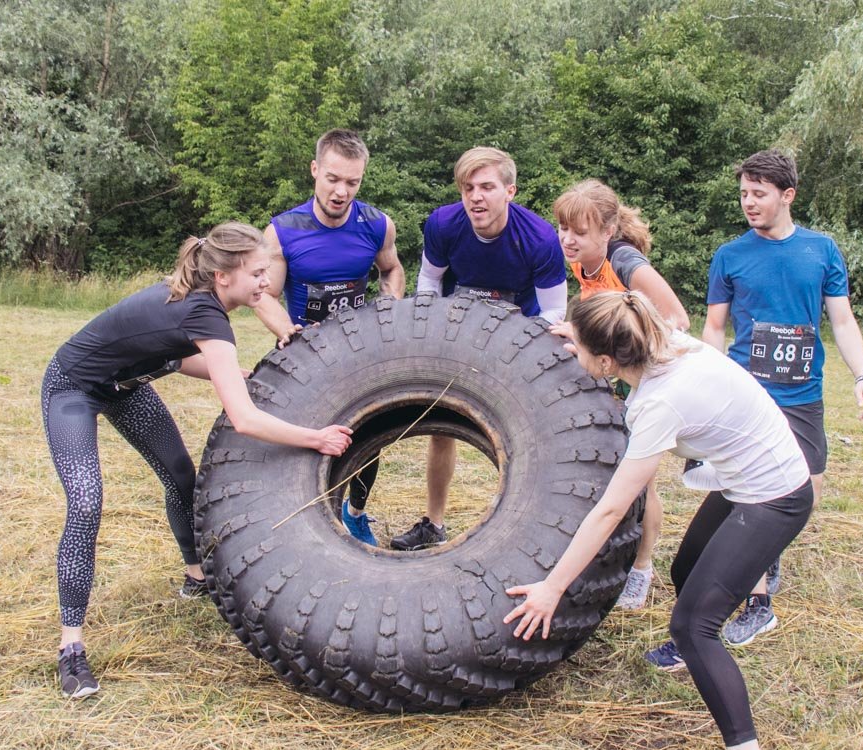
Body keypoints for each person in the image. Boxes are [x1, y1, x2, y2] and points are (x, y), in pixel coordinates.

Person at [503, 291, 811, 750]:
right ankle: (694, 652)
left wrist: (552, 588)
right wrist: (578, 329)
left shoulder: (657, 403)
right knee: (686, 570)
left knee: (693, 625)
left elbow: (609, 510)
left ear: (606, 363)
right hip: (743, 479)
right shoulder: (661, 340)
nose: (576, 357)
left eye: (581, 351)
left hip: (775, 496)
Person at [42, 222, 353, 699]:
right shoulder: (206, 312)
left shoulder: (204, 304)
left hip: (126, 388)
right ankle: (71, 647)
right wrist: (316, 438)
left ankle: (195, 576)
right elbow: (244, 419)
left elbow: (171, 356)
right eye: (256, 274)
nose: (266, 284)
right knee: (86, 501)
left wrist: (237, 372)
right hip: (73, 387)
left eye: (267, 272)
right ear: (225, 276)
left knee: (182, 477)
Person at [703, 149, 863, 646]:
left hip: (803, 393)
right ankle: (758, 603)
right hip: (747, 393)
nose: (749, 203)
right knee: (752, 494)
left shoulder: (821, 251)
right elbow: (715, 326)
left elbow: (842, 320)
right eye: (743, 194)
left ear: (787, 195)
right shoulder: (730, 256)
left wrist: (862, 376)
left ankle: (770, 545)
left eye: (759, 194)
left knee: (805, 494)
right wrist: (712, 379)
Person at [393, 146, 568, 551]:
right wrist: (431, 331)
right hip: (455, 332)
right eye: (467, 187)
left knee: (528, 438)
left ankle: (529, 534)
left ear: (510, 191)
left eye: (487, 187)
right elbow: (427, 285)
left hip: (518, 338)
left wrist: (508, 347)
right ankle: (433, 524)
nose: (476, 197)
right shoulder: (443, 224)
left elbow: (555, 310)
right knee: (441, 429)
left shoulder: (540, 238)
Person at [251, 129, 405, 546]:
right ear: (315, 170)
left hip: (358, 350)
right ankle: (304, 525)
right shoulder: (283, 231)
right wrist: (288, 330)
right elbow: (261, 295)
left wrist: (388, 308)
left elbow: (390, 270)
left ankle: (355, 514)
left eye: (352, 182)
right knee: (304, 443)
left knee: (367, 436)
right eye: (333, 179)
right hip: (304, 352)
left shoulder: (376, 224)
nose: (341, 191)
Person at [552, 178, 689, 609]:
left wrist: (601, 340)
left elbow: (677, 321)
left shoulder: (625, 261)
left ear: (607, 233)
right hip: (620, 375)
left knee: (641, 482)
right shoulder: (583, 263)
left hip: (654, 379)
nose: (568, 240)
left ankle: (642, 570)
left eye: (580, 232)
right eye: (563, 228)